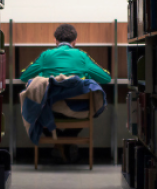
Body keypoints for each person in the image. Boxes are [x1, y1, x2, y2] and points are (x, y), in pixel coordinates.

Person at [20, 24, 111, 162]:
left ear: (55, 41)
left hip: (50, 108)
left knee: (37, 110)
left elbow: (24, 76)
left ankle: (59, 143)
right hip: (77, 109)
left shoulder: (46, 55)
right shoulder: (82, 56)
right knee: (90, 109)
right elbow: (106, 78)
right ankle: (66, 141)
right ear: (75, 41)